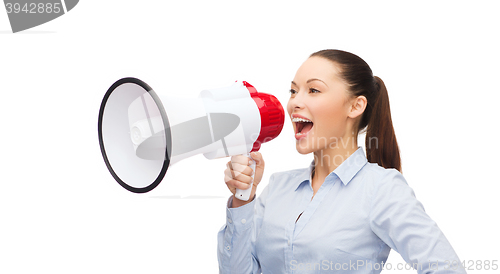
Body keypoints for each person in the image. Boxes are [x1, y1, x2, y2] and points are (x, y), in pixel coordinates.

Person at [218, 49, 465, 274]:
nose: (295, 102)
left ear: (356, 106)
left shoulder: (381, 189)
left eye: (313, 90)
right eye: (293, 91)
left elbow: (447, 269)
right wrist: (243, 199)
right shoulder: (278, 187)